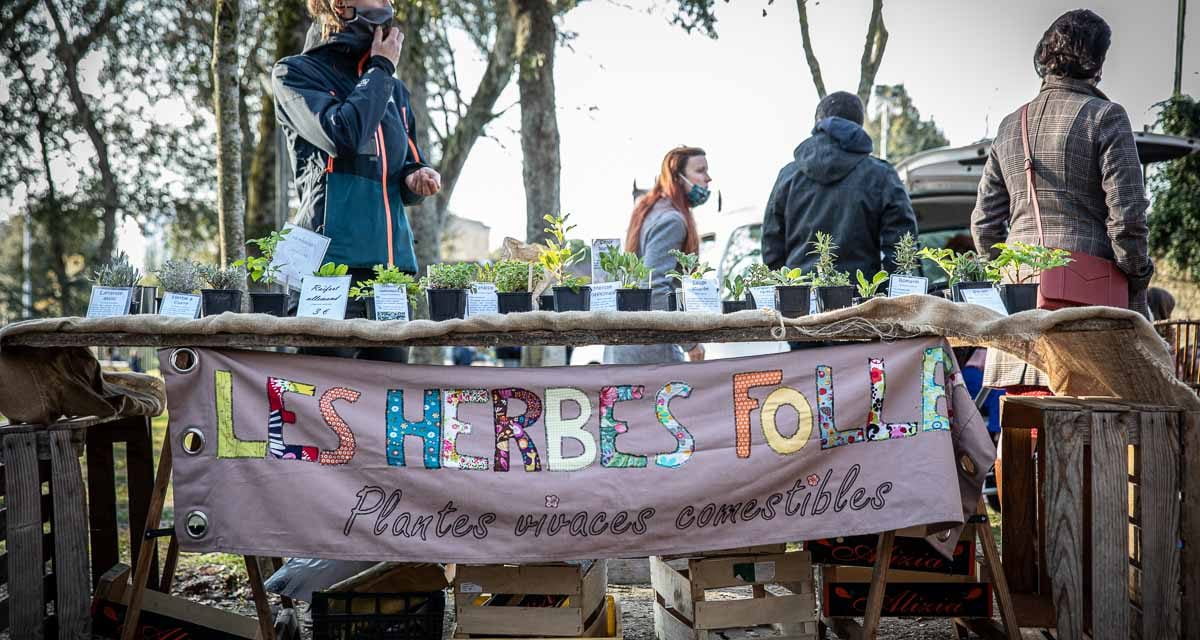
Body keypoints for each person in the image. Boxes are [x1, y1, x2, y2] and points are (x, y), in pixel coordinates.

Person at [971, 9, 1153, 391]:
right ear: (1098, 63)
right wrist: (1136, 276)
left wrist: (1010, 274)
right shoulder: (1105, 117)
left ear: (1044, 56)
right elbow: (1128, 217)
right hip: (1088, 308)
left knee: (1019, 423)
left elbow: (984, 225)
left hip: (1018, 308)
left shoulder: (1009, 125)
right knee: (1091, 428)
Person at [273, 0, 441, 362]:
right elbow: (341, 136)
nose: (388, 5)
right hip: (329, 267)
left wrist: (416, 178)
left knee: (386, 406)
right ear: (340, 4)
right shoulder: (295, 73)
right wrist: (381, 67)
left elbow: (405, 164)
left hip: (391, 272)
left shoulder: (393, 90)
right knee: (322, 401)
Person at [762, 91, 917, 279]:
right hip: (863, 302)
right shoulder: (882, 175)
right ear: (859, 124)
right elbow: (901, 248)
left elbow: (771, 247)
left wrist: (787, 293)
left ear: (818, 122)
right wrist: (885, 296)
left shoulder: (788, 176)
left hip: (799, 301)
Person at [603, 146, 711, 365]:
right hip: (650, 355)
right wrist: (690, 343)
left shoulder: (650, 210)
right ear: (678, 177)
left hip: (626, 348)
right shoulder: (672, 220)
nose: (708, 178)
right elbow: (655, 288)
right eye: (700, 171)